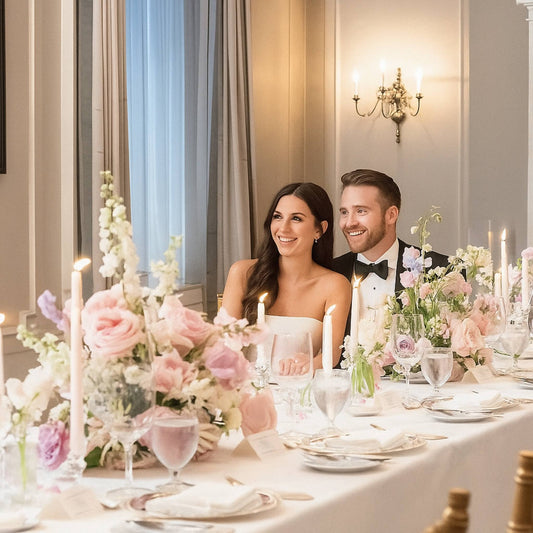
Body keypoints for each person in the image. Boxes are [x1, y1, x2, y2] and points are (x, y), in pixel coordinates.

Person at [222, 182, 351, 370]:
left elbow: (331, 356)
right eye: (277, 217)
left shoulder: (335, 285)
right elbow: (225, 346)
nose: (283, 228)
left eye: (296, 219)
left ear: (319, 229)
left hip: (299, 390)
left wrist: (306, 366)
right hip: (247, 389)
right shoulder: (242, 273)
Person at [333, 169, 449, 321]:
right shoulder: (331, 273)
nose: (349, 223)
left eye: (361, 211)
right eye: (344, 212)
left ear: (391, 215)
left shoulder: (440, 272)